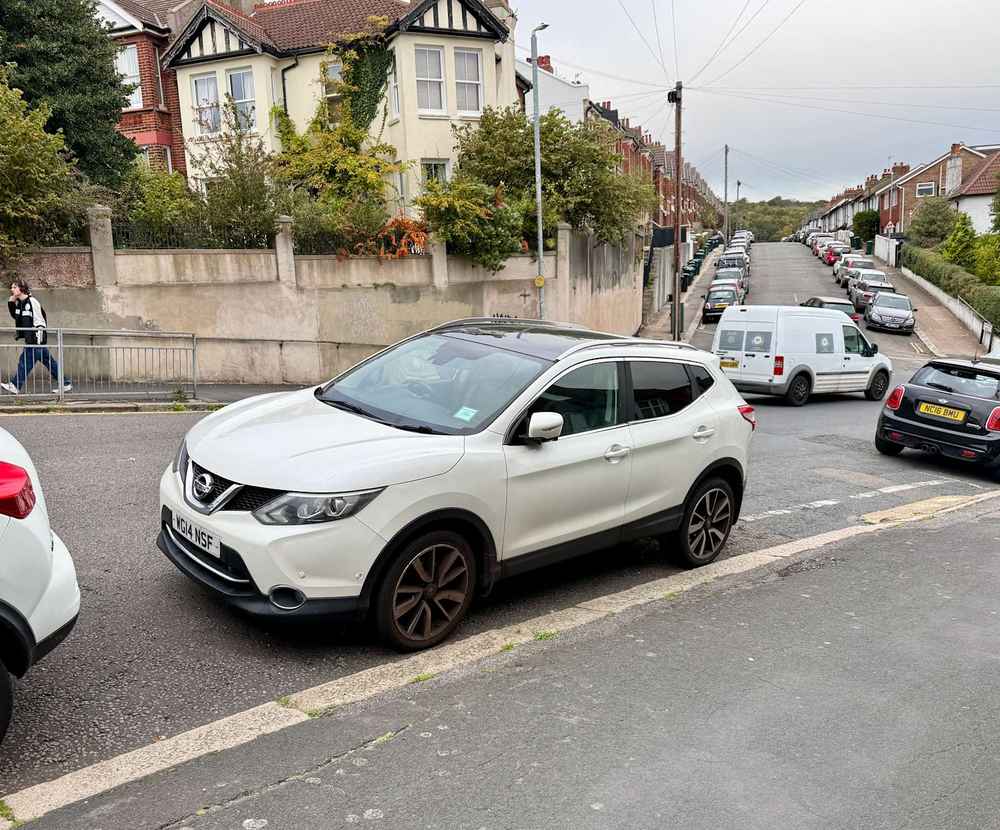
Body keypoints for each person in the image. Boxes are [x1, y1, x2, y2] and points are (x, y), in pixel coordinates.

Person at [2, 279, 72, 394]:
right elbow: (16, 317)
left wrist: (38, 340)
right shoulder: (20, 304)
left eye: (14, 287)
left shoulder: (32, 302)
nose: (12, 289)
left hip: (35, 339)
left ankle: (15, 385)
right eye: (12, 287)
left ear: (22, 288)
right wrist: (11, 301)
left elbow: (40, 321)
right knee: (50, 363)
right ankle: (66, 383)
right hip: (32, 340)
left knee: (24, 362)